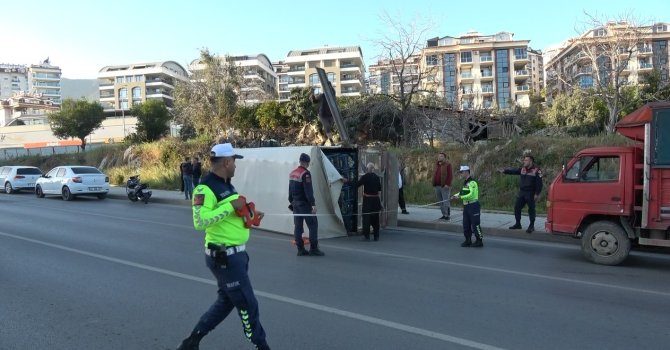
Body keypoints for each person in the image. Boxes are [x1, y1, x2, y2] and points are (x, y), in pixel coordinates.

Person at [176, 143, 271, 350]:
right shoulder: (204, 188)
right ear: (227, 162)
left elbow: (233, 213)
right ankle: (261, 346)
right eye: (235, 162)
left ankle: (191, 342)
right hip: (224, 257)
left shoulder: (228, 185)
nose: (236, 166)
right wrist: (230, 207)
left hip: (236, 255)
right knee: (247, 303)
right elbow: (199, 221)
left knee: (227, 302)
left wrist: (251, 214)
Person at [288, 153, 324, 256]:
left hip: (295, 204)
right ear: (307, 163)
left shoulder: (292, 173)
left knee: (298, 227)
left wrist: (291, 201)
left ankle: (300, 249)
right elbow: (308, 191)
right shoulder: (305, 174)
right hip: (305, 205)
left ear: (300, 161)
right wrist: (313, 204)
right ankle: (314, 249)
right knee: (313, 225)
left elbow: (290, 191)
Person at [500, 155, 543, 233]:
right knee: (517, 207)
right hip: (522, 192)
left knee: (531, 209)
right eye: (524, 160)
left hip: (531, 193)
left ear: (530, 161)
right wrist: (505, 171)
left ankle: (531, 226)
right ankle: (518, 224)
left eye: (526, 160)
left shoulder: (537, 170)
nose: (524, 161)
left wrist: (537, 194)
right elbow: (514, 171)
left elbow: (539, 183)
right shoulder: (523, 169)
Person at [451, 165, 483, 247]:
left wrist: (460, 197)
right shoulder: (465, 182)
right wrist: (455, 195)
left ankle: (479, 241)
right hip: (466, 206)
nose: (461, 174)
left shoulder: (473, 182)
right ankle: (468, 240)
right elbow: (463, 192)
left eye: (461, 172)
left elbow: (471, 195)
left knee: (475, 224)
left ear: (466, 172)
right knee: (466, 224)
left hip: (473, 205)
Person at [358, 162, 383, 241]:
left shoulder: (365, 177)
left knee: (366, 218)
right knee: (375, 219)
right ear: (373, 169)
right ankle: (376, 236)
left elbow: (357, 184)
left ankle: (367, 236)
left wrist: (347, 181)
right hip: (376, 201)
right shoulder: (377, 177)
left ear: (368, 168)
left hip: (368, 200)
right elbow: (379, 189)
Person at [432, 152, 453, 220]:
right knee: (440, 202)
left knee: (445, 201)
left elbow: (450, 175)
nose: (439, 157)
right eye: (439, 156)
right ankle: (443, 214)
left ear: (444, 158)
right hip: (437, 186)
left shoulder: (448, 165)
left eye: (441, 156)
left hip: (444, 186)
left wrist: (447, 184)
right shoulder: (436, 165)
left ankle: (447, 215)